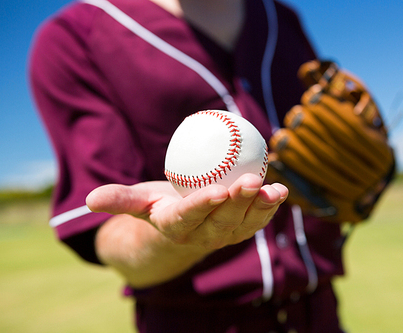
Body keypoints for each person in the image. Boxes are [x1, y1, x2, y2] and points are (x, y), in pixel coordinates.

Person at [29, 0, 347, 331]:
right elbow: (108, 228)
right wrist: (176, 233)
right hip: (194, 320)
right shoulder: (76, 35)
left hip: (321, 311)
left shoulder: (282, 17)